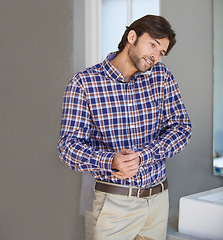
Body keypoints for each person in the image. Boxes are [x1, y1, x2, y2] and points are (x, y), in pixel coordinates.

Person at [58, 15, 192, 240]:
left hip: (158, 201)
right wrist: (110, 161)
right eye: (153, 45)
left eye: (161, 52)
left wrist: (143, 156)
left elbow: (181, 129)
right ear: (132, 37)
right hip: (115, 204)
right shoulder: (84, 83)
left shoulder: (162, 77)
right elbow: (68, 148)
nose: (155, 56)